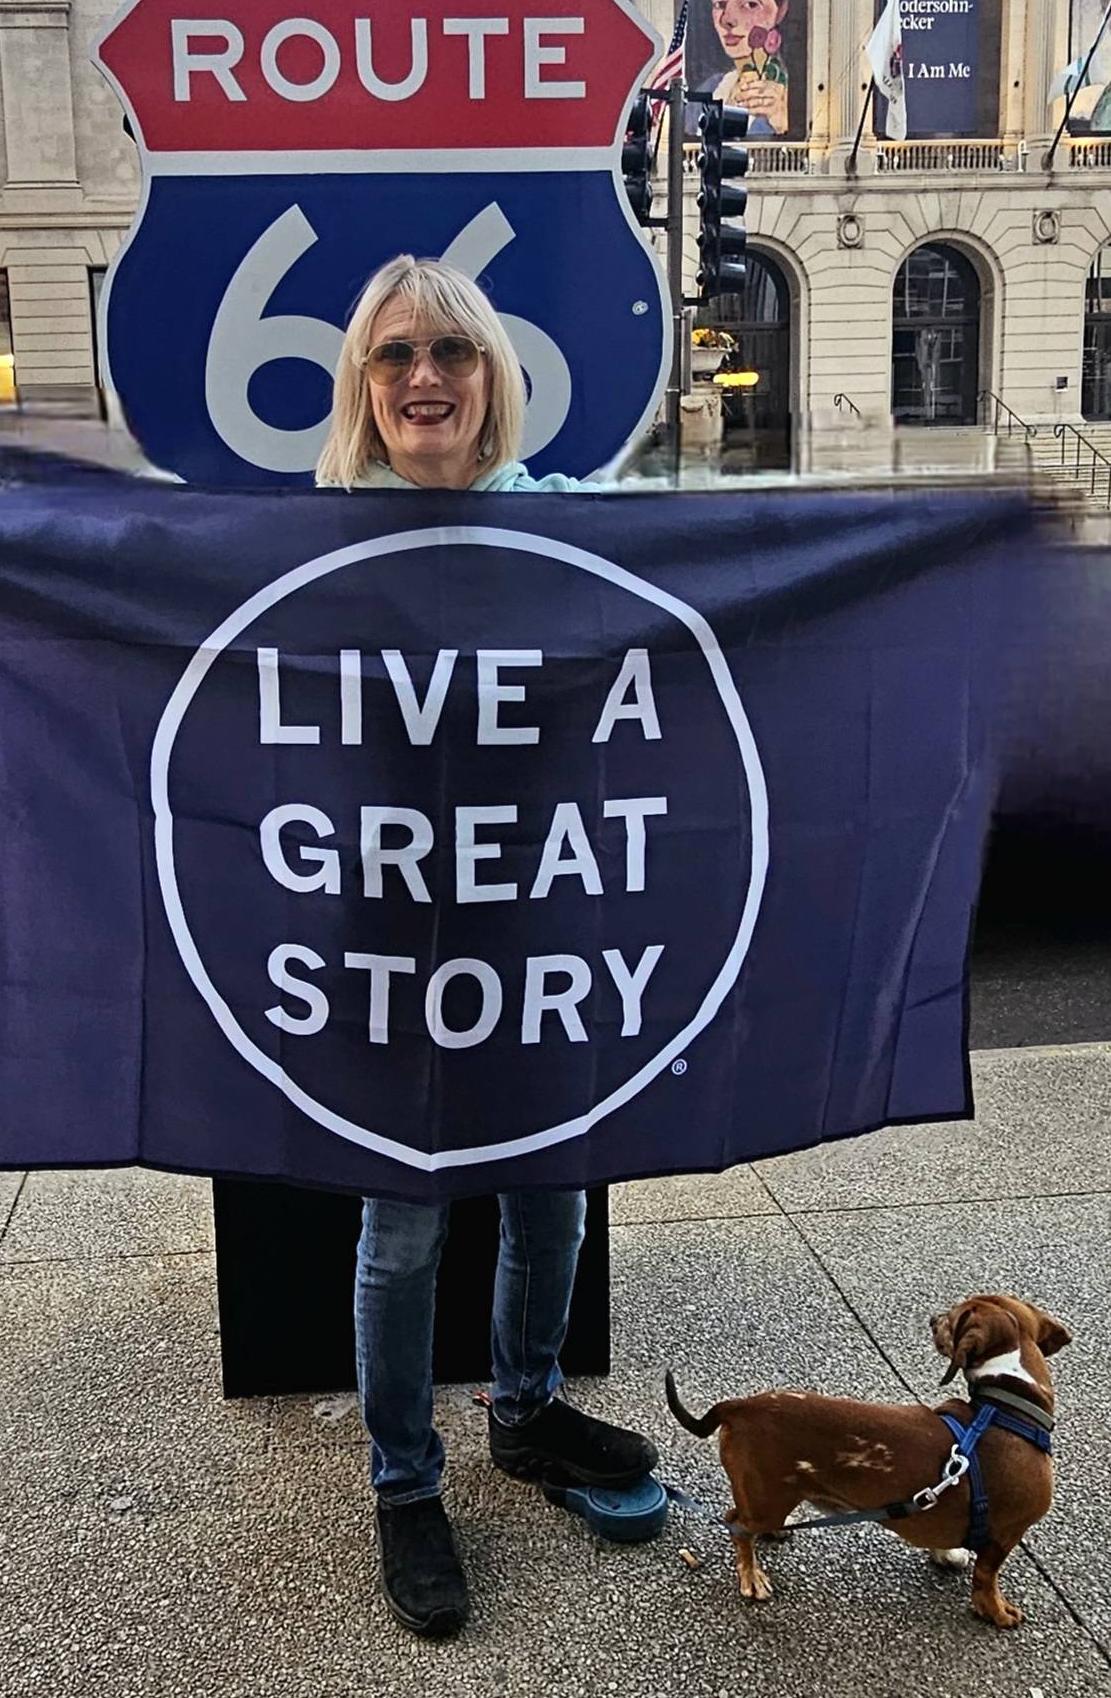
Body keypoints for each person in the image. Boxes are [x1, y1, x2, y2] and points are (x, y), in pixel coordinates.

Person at [314, 254, 659, 1637]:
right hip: (391, 934)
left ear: (490, 376)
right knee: (403, 1224)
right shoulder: (316, 550)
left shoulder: (565, 524)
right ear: (362, 385)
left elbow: (729, 577)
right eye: (394, 353)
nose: (423, 376)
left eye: (451, 350)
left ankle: (523, 1412)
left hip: (541, 919)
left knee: (551, 1193)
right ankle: (405, 1483)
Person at [683, 0, 792, 139]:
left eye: (751, 4)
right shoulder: (709, 89)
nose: (728, 19)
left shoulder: (790, 95)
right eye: (720, 4)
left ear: (781, 11)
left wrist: (782, 122)